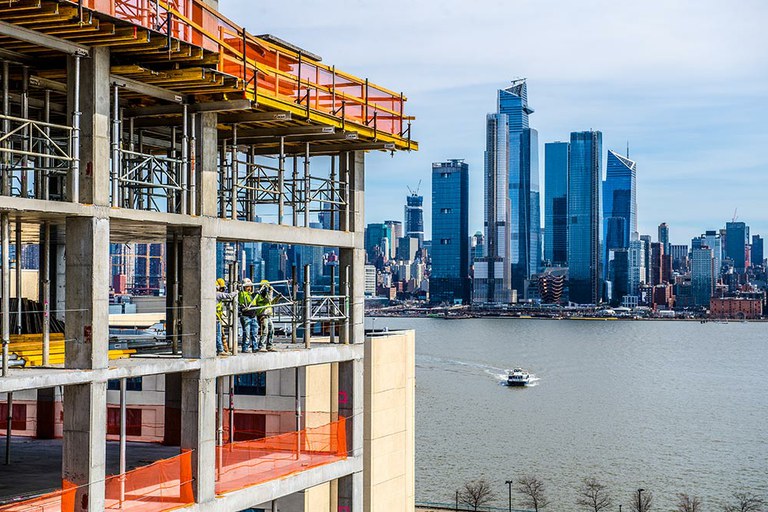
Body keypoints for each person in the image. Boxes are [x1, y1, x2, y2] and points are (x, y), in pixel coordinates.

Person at [254, 279, 277, 352]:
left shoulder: (267, 295)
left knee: (271, 330)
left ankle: (269, 345)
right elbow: (267, 300)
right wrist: (271, 292)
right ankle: (262, 346)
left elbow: (271, 302)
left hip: (268, 315)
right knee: (264, 331)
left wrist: (278, 297)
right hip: (262, 315)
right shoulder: (258, 295)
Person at [215, 278, 236, 356]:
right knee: (218, 334)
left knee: (219, 334)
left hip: (216, 317)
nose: (222, 290)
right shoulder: (217, 294)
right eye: (222, 288)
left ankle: (222, 349)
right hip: (216, 318)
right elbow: (229, 296)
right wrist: (236, 292)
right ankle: (220, 350)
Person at [238, 277, 259, 353]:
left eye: (250, 286)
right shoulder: (242, 294)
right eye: (247, 287)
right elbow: (241, 300)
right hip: (246, 316)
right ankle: (245, 347)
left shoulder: (253, 295)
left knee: (255, 333)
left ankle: (255, 347)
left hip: (253, 316)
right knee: (246, 333)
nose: (249, 288)